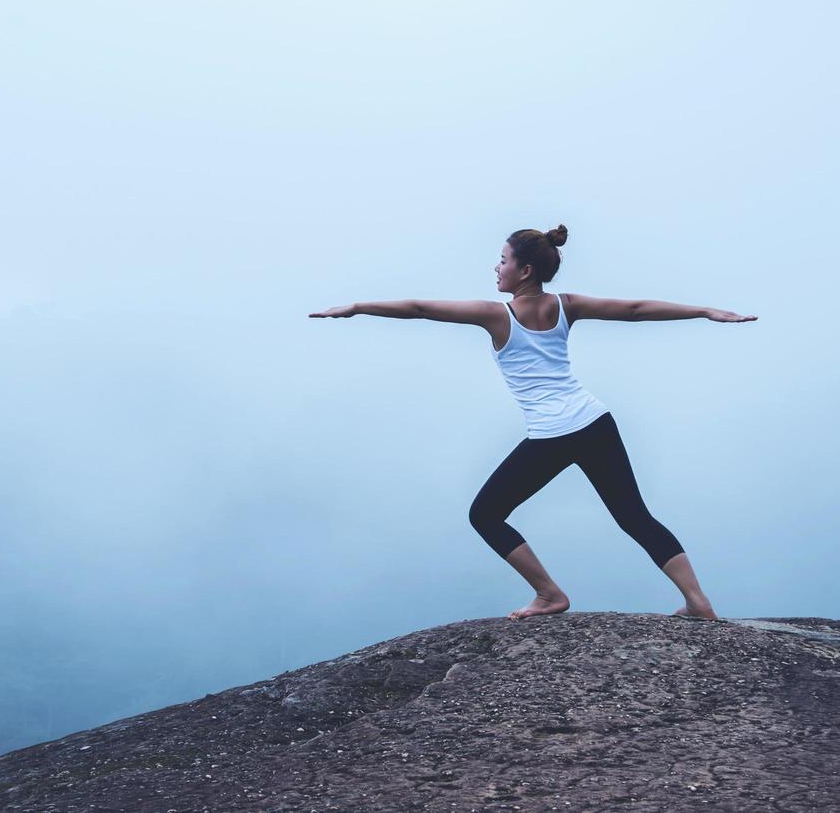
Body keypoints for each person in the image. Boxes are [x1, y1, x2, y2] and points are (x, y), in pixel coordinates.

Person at [309, 223, 757, 621]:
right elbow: (636, 309)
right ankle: (698, 601)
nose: (496, 268)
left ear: (524, 270)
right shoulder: (567, 305)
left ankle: (548, 594)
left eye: (503, 260)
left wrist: (357, 307)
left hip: (553, 436)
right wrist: (703, 311)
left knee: (485, 514)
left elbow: (420, 308)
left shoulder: (496, 315)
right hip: (595, 422)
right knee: (635, 516)